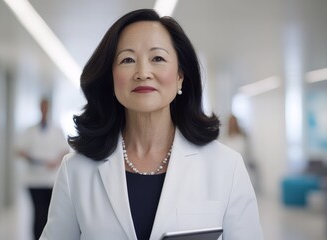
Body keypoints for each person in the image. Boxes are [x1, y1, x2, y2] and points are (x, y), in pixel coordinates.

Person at [40, 9, 263, 240]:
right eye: (128, 60)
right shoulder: (75, 170)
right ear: (111, 78)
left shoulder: (227, 166)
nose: (143, 72)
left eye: (157, 58)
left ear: (180, 76)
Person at [17, 97, 70, 240]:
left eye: (46, 106)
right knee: (38, 213)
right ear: (39, 108)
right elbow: (19, 150)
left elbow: (65, 150)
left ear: (49, 108)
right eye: (42, 106)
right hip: (34, 180)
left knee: (50, 214)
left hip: (51, 180)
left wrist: (56, 161)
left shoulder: (57, 130)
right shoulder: (30, 131)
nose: (44, 109)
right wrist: (33, 159)